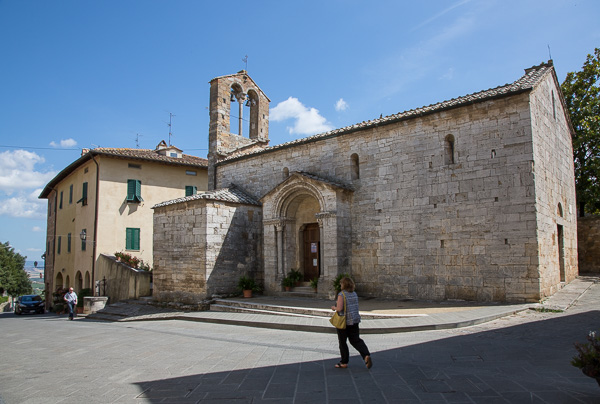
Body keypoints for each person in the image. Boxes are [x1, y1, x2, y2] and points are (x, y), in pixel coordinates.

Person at [331, 277, 372, 369]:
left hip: (344, 322)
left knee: (342, 342)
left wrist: (334, 307)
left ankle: (344, 362)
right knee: (356, 340)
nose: (340, 285)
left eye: (341, 283)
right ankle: (366, 355)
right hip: (354, 321)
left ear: (344, 285)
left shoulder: (342, 294)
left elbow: (340, 308)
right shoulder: (354, 294)